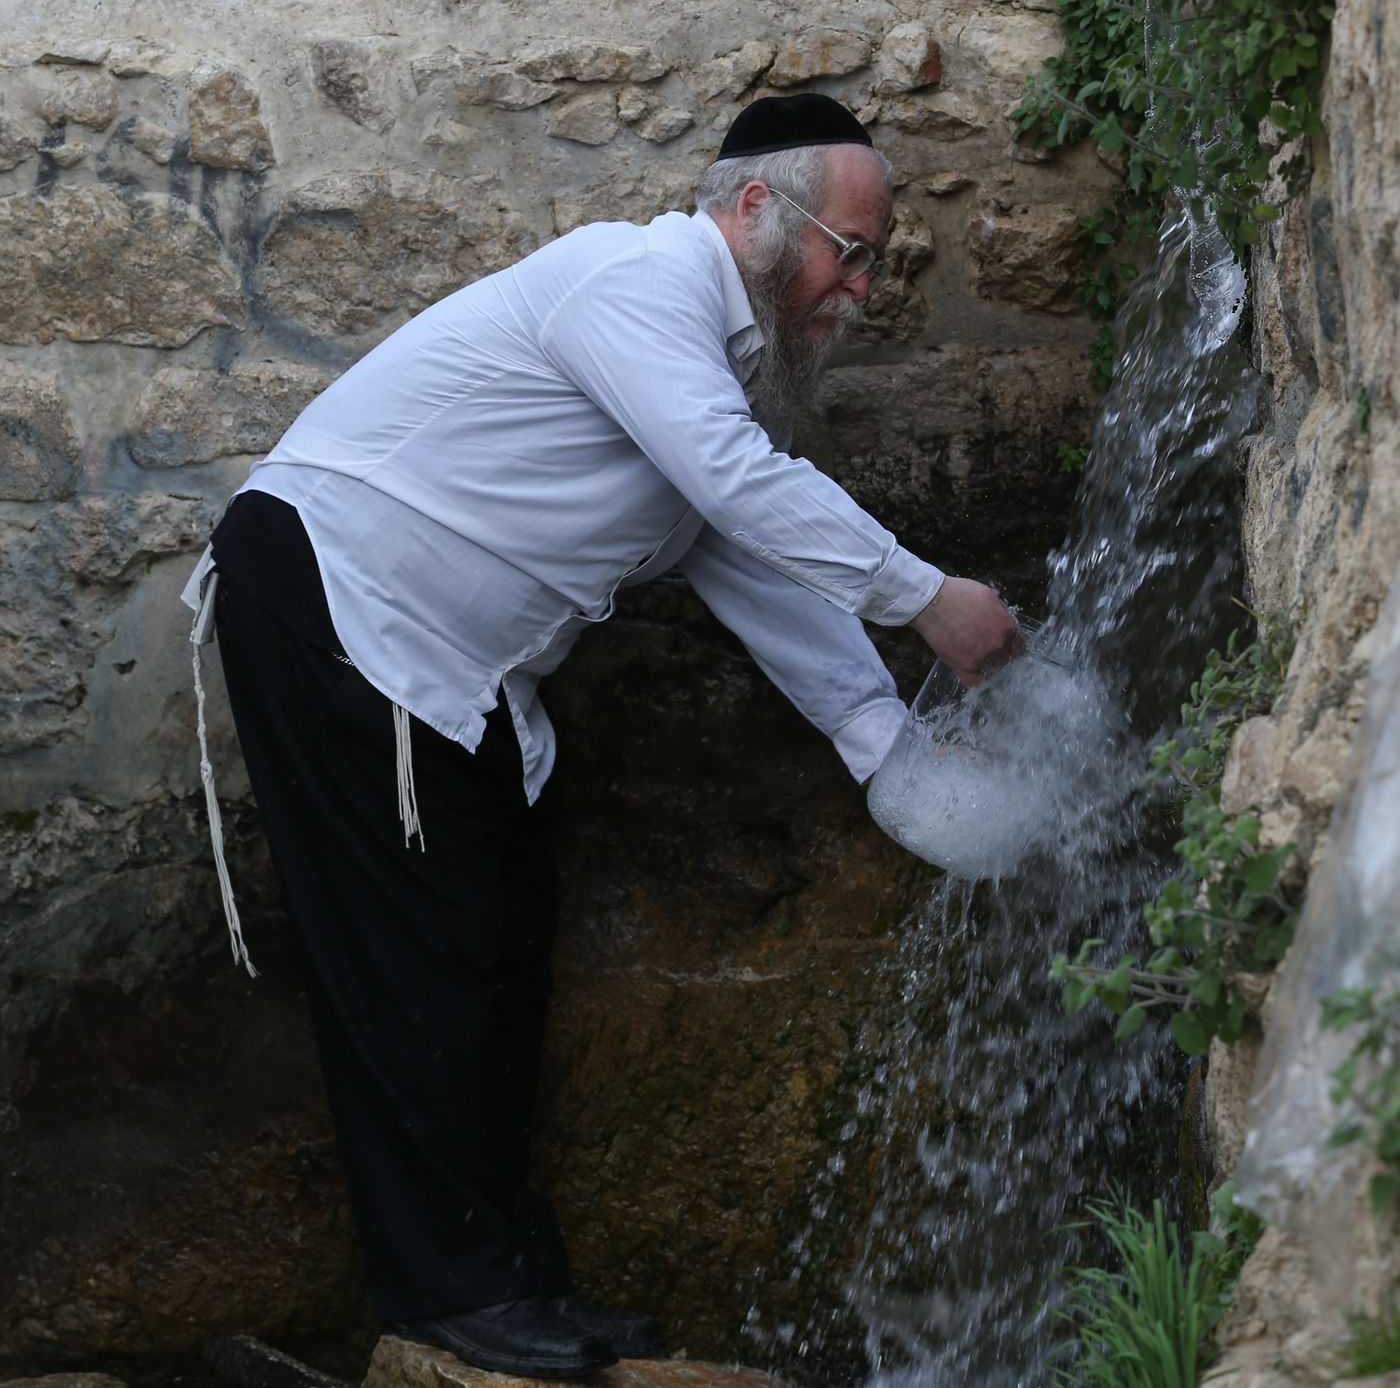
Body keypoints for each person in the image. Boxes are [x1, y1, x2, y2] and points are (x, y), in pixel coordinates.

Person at [188, 91, 1020, 1382]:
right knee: (425, 953)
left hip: (435, 668)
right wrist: (930, 601)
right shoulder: (634, 282)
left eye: (872, 261)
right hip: (332, 602)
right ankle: (450, 1295)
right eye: (847, 252)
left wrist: (886, 746)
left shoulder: (714, 377)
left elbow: (745, 552)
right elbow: (743, 487)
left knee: (505, 934)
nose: (859, 289)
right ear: (754, 210)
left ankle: (507, 1283)